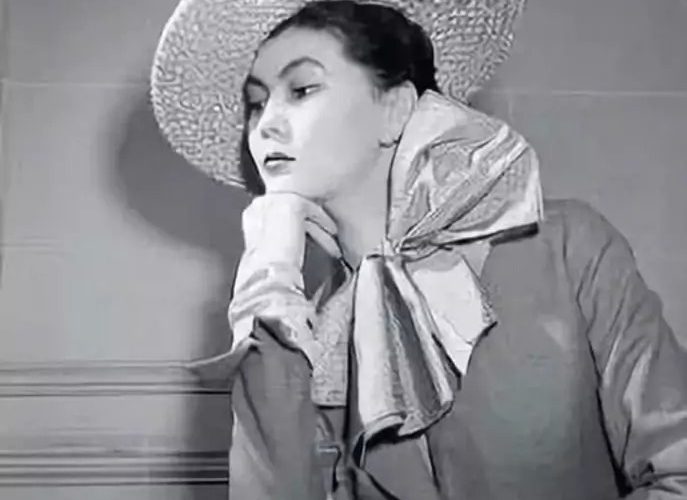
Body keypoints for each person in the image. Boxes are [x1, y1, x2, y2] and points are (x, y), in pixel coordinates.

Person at [151, 1, 687, 498]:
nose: (265, 123)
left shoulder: (565, 247)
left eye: (302, 89)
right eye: (255, 103)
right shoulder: (306, 335)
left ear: (394, 109)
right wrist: (268, 275)